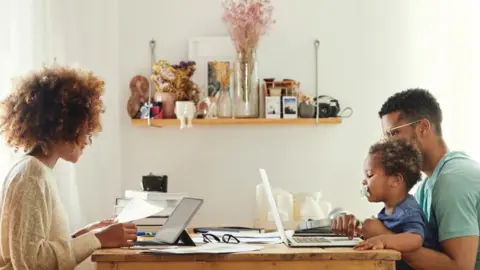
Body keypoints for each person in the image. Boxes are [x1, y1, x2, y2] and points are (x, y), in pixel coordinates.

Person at [0, 66, 138, 269]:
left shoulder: (37, 169)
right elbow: (32, 263)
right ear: (60, 126)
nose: (86, 140)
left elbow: (35, 248)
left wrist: (85, 234)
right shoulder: (32, 174)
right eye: (83, 128)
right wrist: (97, 239)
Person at [332, 88, 480, 270]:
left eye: (393, 133)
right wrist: (362, 229)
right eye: (385, 137)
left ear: (423, 128)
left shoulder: (453, 181)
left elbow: (461, 268)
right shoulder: (427, 186)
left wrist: (384, 236)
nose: (388, 144)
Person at [353, 138, 435, 270]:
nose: (364, 182)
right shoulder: (388, 210)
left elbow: (415, 239)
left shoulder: (408, 210)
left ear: (396, 180)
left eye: (369, 175)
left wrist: (383, 240)